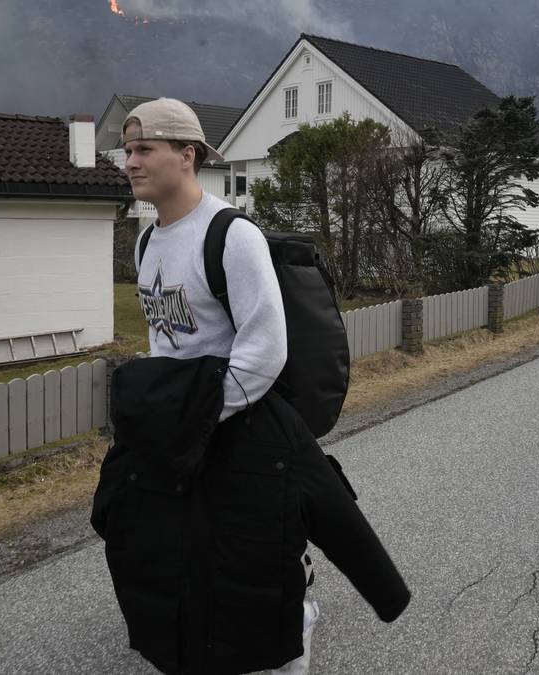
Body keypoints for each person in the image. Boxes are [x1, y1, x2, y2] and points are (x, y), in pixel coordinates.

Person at [92, 98, 409, 674]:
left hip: (236, 425)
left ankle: (297, 619)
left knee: (255, 562)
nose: (129, 162)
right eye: (128, 151)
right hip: (181, 428)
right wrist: (163, 419)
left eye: (144, 150)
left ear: (186, 155)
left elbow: (265, 351)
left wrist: (197, 418)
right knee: (173, 548)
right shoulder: (146, 242)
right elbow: (167, 345)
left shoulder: (231, 236)